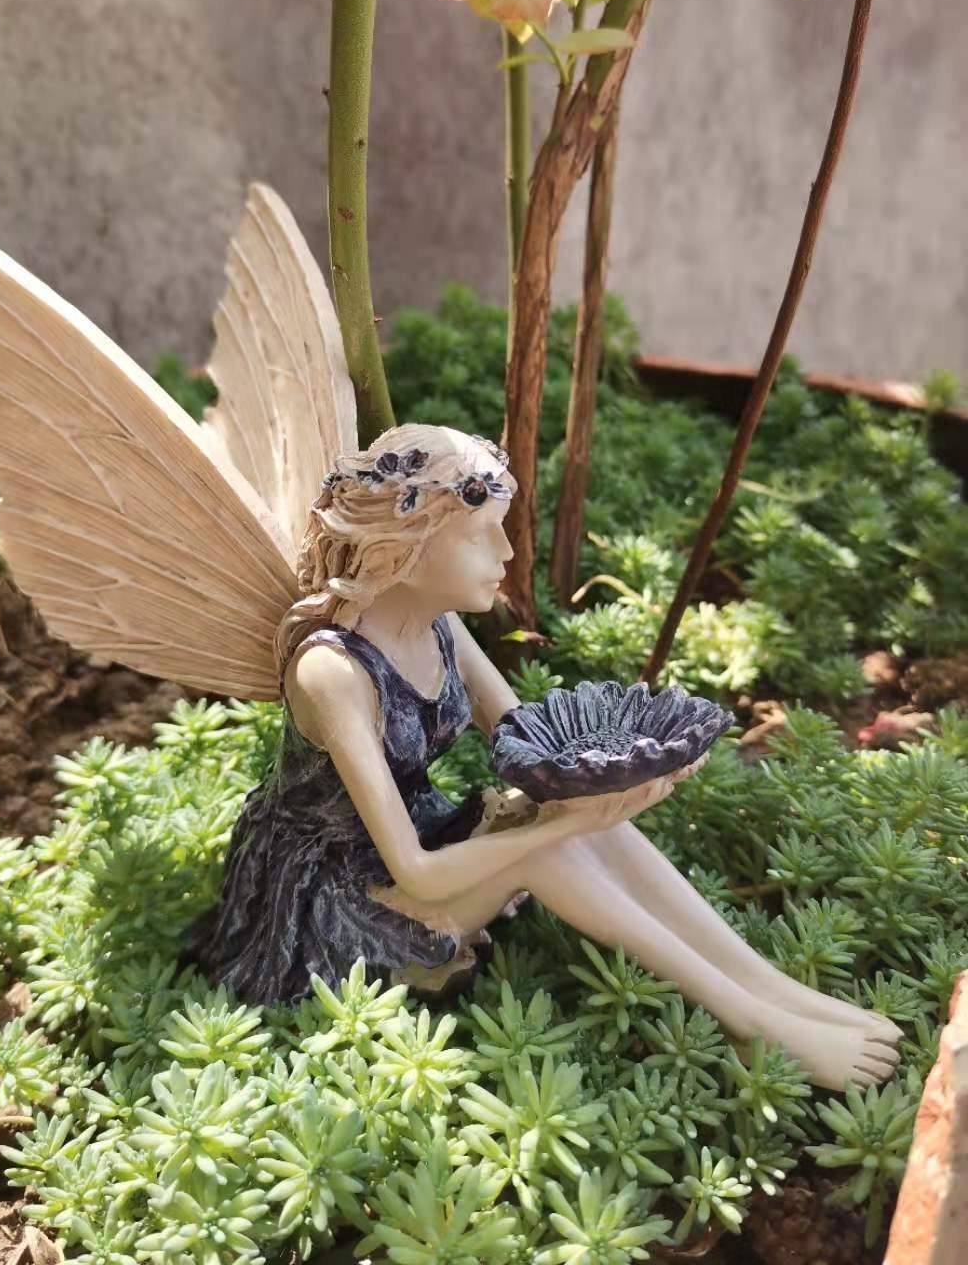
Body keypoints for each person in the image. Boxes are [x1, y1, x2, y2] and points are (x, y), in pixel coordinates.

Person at [186, 424, 900, 1090]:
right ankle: (755, 1025)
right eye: (482, 536)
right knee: (548, 847)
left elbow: (533, 748)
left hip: (405, 842)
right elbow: (418, 873)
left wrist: (631, 770)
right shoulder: (333, 672)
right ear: (406, 548)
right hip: (337, 893)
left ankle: (777, 991)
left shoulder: (439, 628)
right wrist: (566, 824)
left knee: (568, 818)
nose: (506, 555)